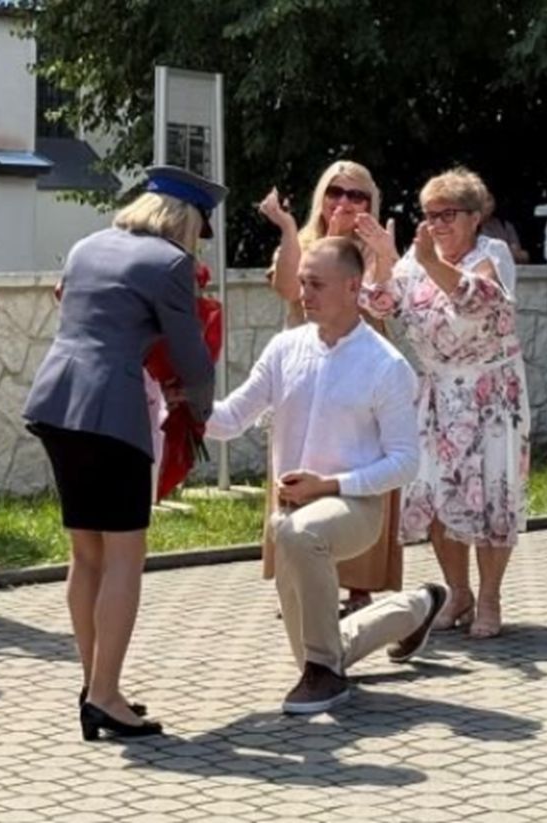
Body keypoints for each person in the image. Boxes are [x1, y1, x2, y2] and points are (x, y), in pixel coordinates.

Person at [207, 236, 445, 715]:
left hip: (355, 508)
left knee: (301, 535)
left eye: (316, 284)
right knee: (322, 644)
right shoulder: (284, 348)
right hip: (292, 516)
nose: (304, 294)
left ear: (353, 286)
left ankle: (325, 677)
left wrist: (329, 485)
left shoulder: (386, 365)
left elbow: (404, 462)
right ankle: (415, 608)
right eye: (301, 283)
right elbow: (231, 419)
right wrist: (176, 404)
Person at [23, 165, 221, 740]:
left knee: (85, 554)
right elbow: (192, 358)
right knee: (124, 558)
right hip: (112, 414)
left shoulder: (88, 246)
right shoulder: (171, 264)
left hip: (57, 405)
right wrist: (200, 407)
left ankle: (95, 684)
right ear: (186, 223)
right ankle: (106, 694)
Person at [363, 167, 531, 640]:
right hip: (438, 394)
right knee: (437, 495)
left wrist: (422, 259)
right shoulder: (416, 259)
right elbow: (380, 304)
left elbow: (475, 299)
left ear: (475, 217)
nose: (436, 224)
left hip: (491, 395)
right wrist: (382, 258)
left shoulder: (491, 253)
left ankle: (491, 596)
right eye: (429, 215)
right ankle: (459, 593)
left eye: (447, 214)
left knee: (492, 496)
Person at [258, 161, 402, 616]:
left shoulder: (376, 244)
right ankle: (298, 580)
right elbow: (286, 286)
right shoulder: (302, 242)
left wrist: (384, 255)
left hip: (363, 377)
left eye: (357, 196)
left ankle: (360, 587)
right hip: (307, 378)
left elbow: (387, 302)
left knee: (360, 472)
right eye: (336, 192)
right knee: (302, 472)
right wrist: (288, 229)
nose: (345, 202)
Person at [479, 190, 530, 264]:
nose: (487, 205)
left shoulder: (505, 225)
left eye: (489, 199)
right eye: (481, 200)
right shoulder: (469, 226)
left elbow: (521, 255)